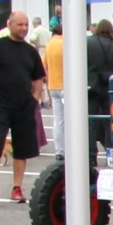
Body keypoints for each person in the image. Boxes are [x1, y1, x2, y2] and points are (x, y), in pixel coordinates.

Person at [0, 10, 45, 202]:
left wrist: (35, 97)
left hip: (24, 105)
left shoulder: (30, 51)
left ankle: (17, 188)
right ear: (9, 25)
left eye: (26, 25)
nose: (24, 28)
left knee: (21, 149)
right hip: (0, 105)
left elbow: (38, 76)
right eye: (20, 25)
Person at [87, 19, 113, 148]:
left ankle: (90, 157)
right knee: (111, 122)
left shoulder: (88, 43)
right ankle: (111, 154)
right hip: (111, 88)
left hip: (91, 88)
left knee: (91, 124)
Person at [45, 19, 65, 158]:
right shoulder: (66, 43)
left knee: (58, 120)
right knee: (71, 119)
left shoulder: (49, 44)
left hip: (53, 85)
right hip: (66, 86)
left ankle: (60, 150)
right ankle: (71, 148)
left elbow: (44, 66)